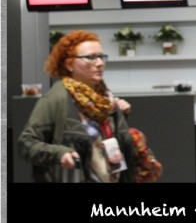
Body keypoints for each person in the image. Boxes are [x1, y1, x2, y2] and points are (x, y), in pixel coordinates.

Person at [17, 30, 137, 182]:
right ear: (69, 64)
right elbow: (26, 144)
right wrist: (59, 154)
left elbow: (103, 142)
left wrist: (120, 117)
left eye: (101, 57)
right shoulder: (55, 100)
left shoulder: (104, 98)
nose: (100, 63)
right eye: (90, 58)